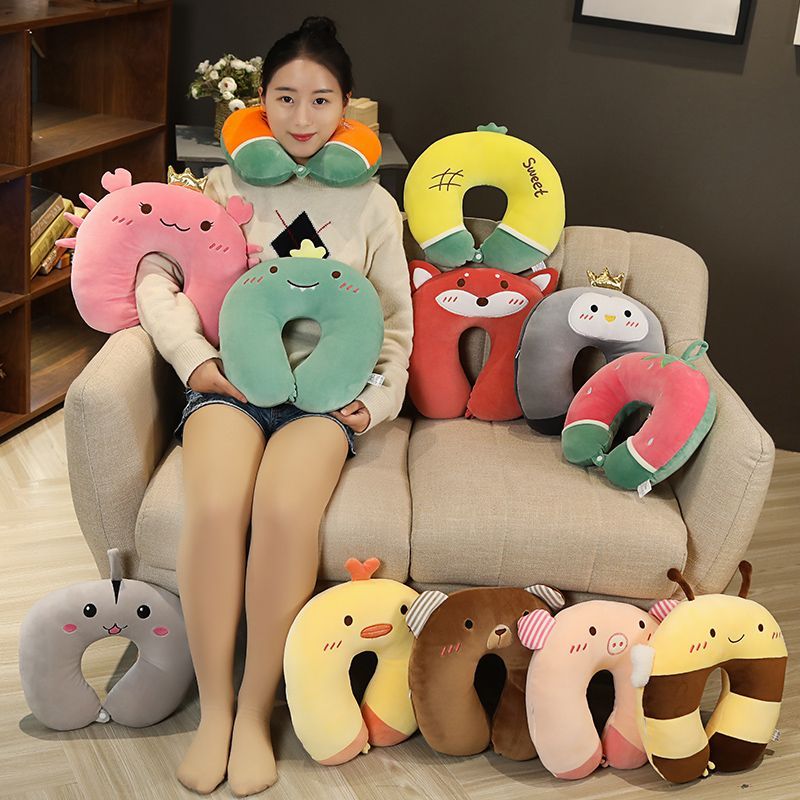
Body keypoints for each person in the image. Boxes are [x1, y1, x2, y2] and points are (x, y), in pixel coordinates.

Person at [134, 16, 413, 796]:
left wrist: (374, 404)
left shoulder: (374, 206)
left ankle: (257, 711)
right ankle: (215, 710)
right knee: (217, 506)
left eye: (320, 99)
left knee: (286, 513)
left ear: (347, 105)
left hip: (325, 400)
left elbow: (397, 326)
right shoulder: (223, 187)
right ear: (261, 100)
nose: (301, 116)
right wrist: (196, 360)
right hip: (234, 388)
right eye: (284, 97)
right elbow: (155, 274)